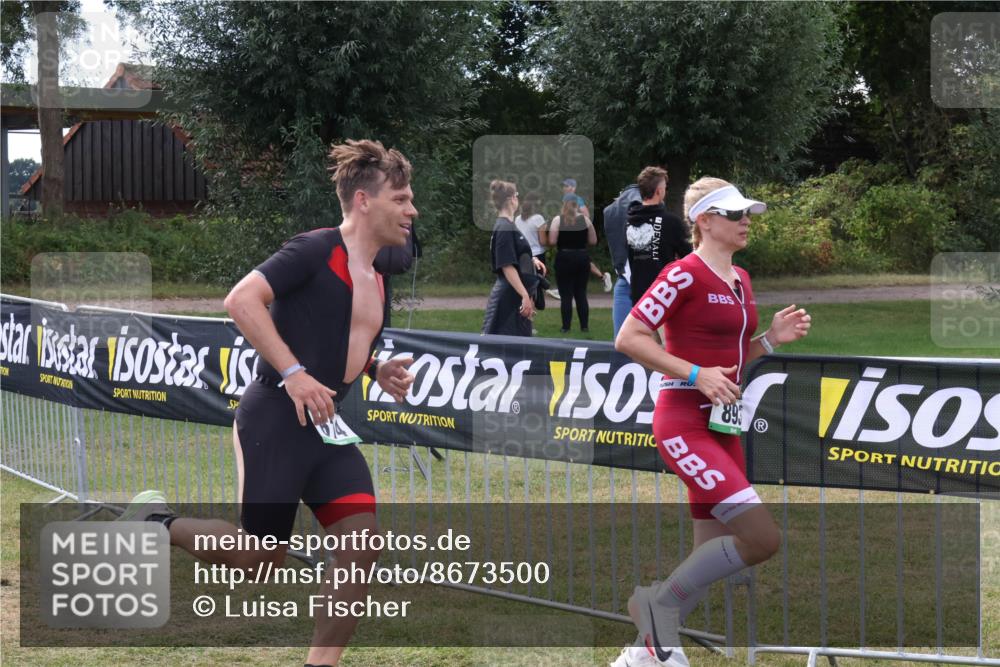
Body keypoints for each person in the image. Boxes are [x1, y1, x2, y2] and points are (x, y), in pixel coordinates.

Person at [117, 139, 419, 667]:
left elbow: (337, 329)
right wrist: (295, 373)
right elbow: (240, 300)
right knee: (260, 559)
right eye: (401, 199)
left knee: (360, 545)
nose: (412, 210)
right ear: (365, 202)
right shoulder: (313, 249)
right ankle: (154, 522)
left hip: (326, 427)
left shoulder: (383, 265)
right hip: (276, 416)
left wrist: (374, 367)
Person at [612, 177, 811, 667]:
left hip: (724, 425)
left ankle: (643, 657)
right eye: (735, 213)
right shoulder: (682, 273)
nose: (747, 220)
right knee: (762, 538)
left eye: (748, 213)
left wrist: (769, 340)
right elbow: (630, 338)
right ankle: (654, 605)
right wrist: (695, 374)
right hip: (684, 422)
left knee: (711, 553)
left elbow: (732, 357)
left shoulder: (740, 279)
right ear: (704, 221)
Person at [482, 179, 546, 337]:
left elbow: (514, 253)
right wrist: (524, 295)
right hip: (508, 297)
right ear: (512, 199)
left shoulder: (510, 226)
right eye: (517, 195)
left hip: (514, 294)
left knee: (520, 348)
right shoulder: (504, 228)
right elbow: (507, 266)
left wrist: (531, 260)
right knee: (502, 349)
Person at [627, 166, 692, 306]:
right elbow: (690, 256)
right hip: (663, 294)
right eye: (665, 187)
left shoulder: (629, 222)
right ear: (659, 191)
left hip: (638, 294)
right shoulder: (671, 222)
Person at [549, 192, 597, 333]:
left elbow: (552, 241)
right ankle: (584, 326)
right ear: (577, 204)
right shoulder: (585, 220)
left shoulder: (558, 220)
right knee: (581, 293)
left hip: (564, 257)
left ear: (563, 204)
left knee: (566, 295)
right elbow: (593, 241)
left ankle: (566, 327)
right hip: (582, 257)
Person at [603, 183, 641, 337]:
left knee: (622, 340)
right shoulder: (644, 205)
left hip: (625, 277)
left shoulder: (611, 211)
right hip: (634, 279)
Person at [564, 176, 613, 292]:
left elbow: (586, 215)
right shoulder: (567, 199)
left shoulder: (576, 199)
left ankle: (566, 286)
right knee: (579, 259)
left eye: (566, 186)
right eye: (564, 186)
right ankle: (602, 277)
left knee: (574, 258)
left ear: (573, 188)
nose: (564, 188)